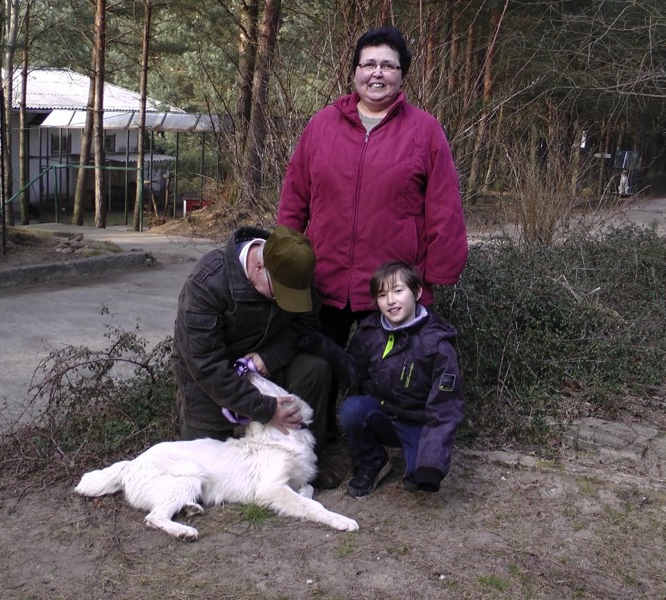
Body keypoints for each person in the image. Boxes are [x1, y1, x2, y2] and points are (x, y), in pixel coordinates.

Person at [278, 26, 468, 348]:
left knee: (387, 376)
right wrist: (284, 259)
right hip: (324, 280)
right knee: (319, 368)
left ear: (402, 75)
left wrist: (434, 277)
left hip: (392, 288)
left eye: (388, 65)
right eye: (368, 64)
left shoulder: (425, 131)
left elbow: (445, 207)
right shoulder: (321, 125)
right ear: (355, 72)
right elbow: (294, 197)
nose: (377, 73)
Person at [172, 224, 340, 488]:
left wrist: (268, 357)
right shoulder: (206, 283)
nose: (285, 301)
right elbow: (204, 365)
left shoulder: (295, 270)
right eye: (279, 293)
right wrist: (266, 410)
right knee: (206, 471)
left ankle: (306, 463)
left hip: (267, 363)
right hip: (210, 378)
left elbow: (307, 326)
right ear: (259, 267)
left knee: (315, 369)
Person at [300, 261, 464, 498]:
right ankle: (374, 461)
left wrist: (432, 462)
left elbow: (446, 407)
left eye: (398, 291)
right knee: (352, 409)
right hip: (383, 415)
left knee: (421, 476)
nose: (390, 301)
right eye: (382, 295)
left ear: (417, 292)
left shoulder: (437, 343)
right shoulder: (370, 331)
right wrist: (324, 347)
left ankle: (420, 461)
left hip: (418, 422)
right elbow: (354, 373)